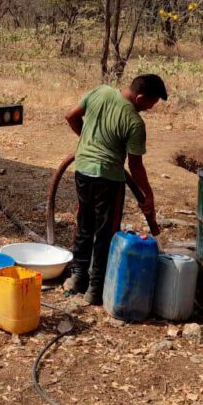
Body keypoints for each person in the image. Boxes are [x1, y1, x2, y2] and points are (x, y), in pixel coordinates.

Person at [62, 74, 167, 305]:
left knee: (85, 224)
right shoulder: (135, 122)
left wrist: (88, 141)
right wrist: (148, 194)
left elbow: (70, 116)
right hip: (108, 179)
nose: (150, 108)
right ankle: (95, 289)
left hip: (82, 171)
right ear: (140, 97)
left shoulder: (99, 91)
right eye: (151, 103)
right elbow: (135, 166)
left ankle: (78, 278)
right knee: (106, 233)